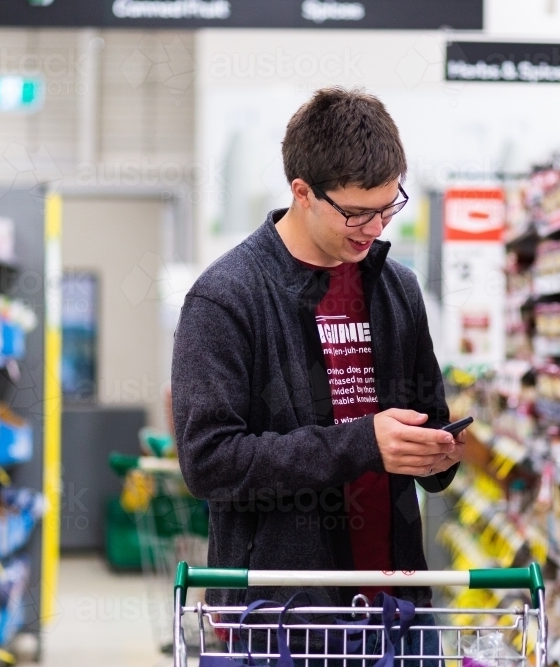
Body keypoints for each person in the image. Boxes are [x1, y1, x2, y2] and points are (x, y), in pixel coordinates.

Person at [171, 86, 465, 664]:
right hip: (280, 617)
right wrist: (364, 442)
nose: (374, 227)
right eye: (356, 213)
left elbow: (426, 420)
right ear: (302, 192)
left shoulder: (397, 289)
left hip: (397, 606)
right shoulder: (227, 298)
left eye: (388, 206)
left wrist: (437, 455)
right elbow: (209, 462)